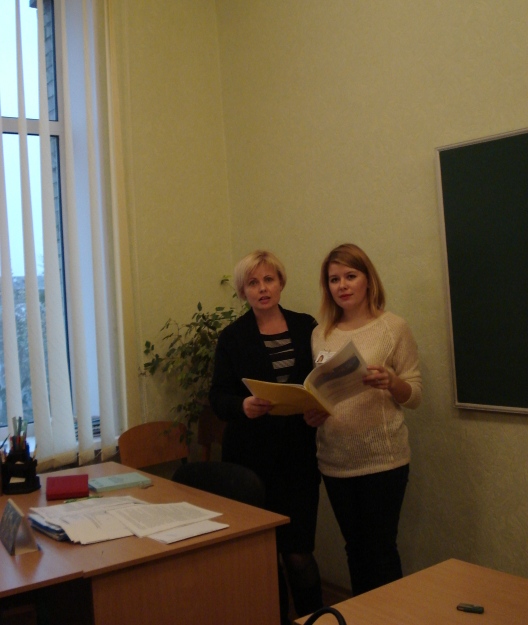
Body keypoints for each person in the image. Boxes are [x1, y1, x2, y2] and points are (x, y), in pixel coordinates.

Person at [209, 250, 323, 624]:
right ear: (243, 291)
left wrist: (320, 407)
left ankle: (316, 620)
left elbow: (323, 381)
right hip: (250, 461)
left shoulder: (307, 327)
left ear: (281, 283)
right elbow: (218, 397)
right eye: (253, 283)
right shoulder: (232, 337)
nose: (262, 288)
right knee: (263, 556)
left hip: (299, 457)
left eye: (269, 279)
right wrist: (242, 405)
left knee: (299, 553)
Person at [306, 243, 422, 596]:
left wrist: (392, 382)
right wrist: (313, 413)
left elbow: (416, 395)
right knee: (354, 550)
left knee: (381, 551)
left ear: (368, 280)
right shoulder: (321, 333)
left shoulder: (393, 327)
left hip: (382, 460)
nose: (342, 285)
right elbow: (321, 391)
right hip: (334, 460)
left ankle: (390, 618)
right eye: (334, 279)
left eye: (350, 276)